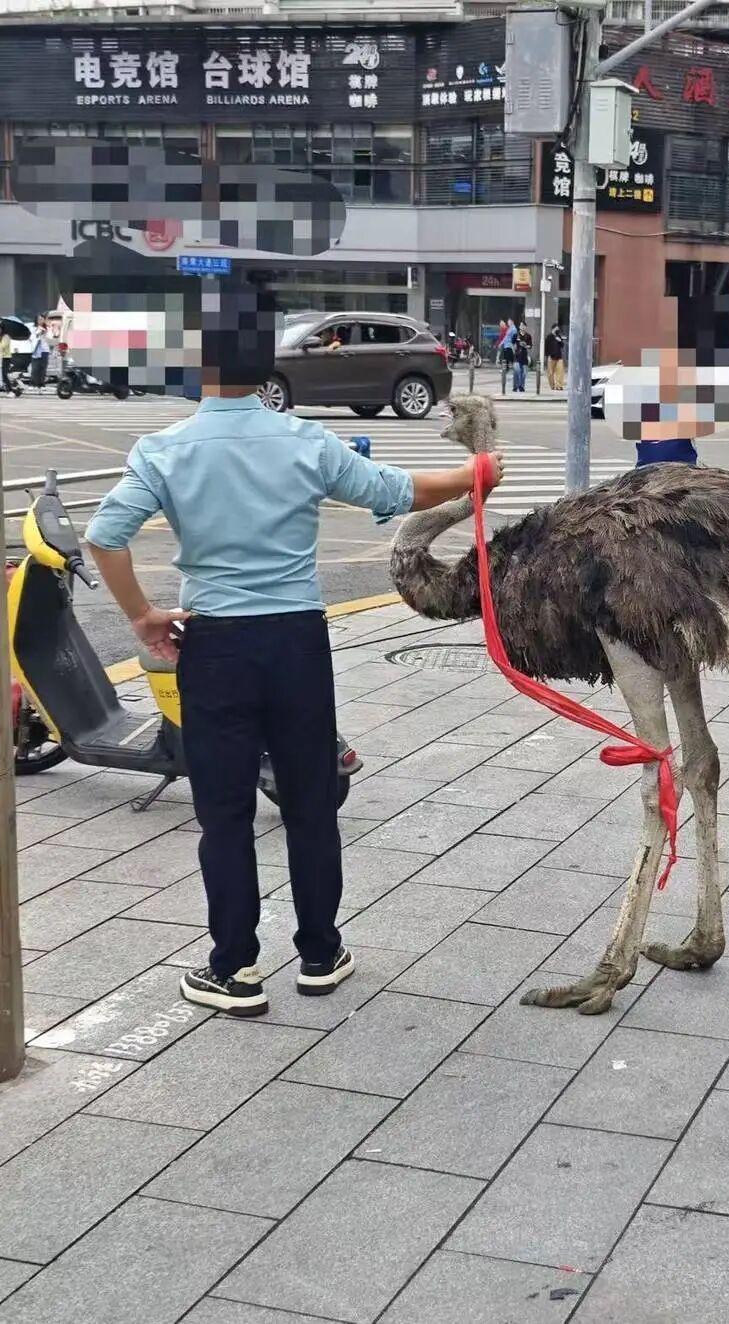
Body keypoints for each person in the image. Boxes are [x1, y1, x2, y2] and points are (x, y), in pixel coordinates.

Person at [85, 280, 505, 1017]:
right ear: (265, 361)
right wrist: (478, 473)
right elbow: (397, 489)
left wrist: (145, 615)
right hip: (297, 642)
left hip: (213, 646)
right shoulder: (304, 440)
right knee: (311, 803)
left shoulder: (164, 450)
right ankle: (320, 954)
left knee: (224, 814)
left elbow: (104, 537)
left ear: (194, 365)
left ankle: (233, 969)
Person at [29, 315, 50, 390]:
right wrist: (38, 334)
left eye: (42, 319)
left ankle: (41, 384)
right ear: (36, 320)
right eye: (39, 319)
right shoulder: (33, 328)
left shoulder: (48, 328)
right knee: (35, 368)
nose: (41, 321)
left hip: (45, 350)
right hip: (36, 350)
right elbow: (31, 338)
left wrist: (45, 333)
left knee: (43, 368)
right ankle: (32, 383)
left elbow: (50, 338)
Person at [544, 324, 565, 390]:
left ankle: (559, 385)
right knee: (550, 373)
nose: (557, 330)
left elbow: (562, 345)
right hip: (551, 356)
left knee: (560, 371)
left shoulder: (558, 336)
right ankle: (552, 385)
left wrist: (560, 340)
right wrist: (547, 355)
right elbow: (546, 347)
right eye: (556, 329)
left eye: (558, 329)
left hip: (559, 356)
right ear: (553, 329)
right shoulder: (549, 337)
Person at [512, 326, 530, 392]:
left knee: (524, 372)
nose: (522, 327)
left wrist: (525, 345)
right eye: (521, 326)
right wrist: (514, 349)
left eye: (524, 326)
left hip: (524, 357)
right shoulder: (516, 335)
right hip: (517, 356)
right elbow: (512, 343)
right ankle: (515, 386)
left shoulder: (528, 336)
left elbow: (530, 346)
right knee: (517, 371)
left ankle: (521, 386)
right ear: (519, 327)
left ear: (526, 327)